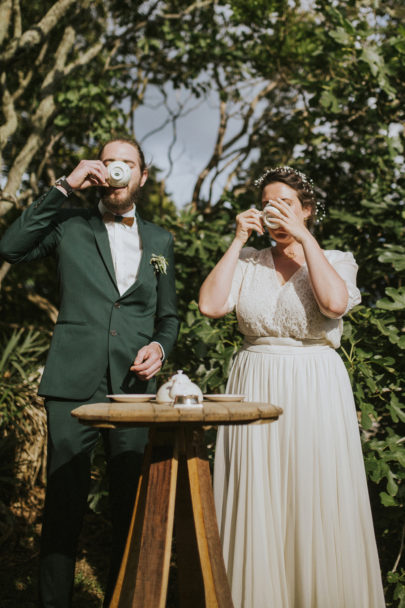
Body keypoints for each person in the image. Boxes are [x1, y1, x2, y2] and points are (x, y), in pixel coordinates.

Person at [0, 138, 179, 608]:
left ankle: (126, 598)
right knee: (64, 500)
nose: (119, 169)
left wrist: (161, 347)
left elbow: (169, 316)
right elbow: (11, 247)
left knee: (131, 501)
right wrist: (65, 185)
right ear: (100, 169)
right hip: (72, 381)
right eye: (110, 160)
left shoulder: (160, 240)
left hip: (134, 388)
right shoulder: (69, 222)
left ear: (142, 176)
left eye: (129, 163)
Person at [198, 166, 385, 608]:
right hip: (254, 382)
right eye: (268, 203)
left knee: (313, 492)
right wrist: (239, 240)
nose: (273, 210)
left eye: (285, 203)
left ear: (307, 210)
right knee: (256, 495)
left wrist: (304, 239)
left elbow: (334, 303)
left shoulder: (336, 258)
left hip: (315, 386)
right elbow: (210, 306)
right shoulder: (248, 261)